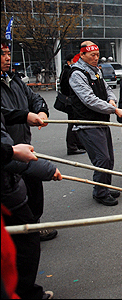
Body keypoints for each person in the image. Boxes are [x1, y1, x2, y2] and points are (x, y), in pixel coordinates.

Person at [0, 38, 58, 242]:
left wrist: (41, 111)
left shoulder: (14, 79)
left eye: (8, 53)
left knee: (33, 189)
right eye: (2, 54)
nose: (7, 58)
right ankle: (25, 233)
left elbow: (34, 98)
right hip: (9, 151)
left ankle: (34, 224)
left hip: (23, 146)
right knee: (16, 197)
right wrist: (25, 115)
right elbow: (6, 113)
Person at [1, 109, 61, 300]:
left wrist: (25, 115)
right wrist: (11, 152)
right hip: (6, 188)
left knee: (23, 241)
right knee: (25, 243)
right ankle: (24, 292)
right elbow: (9, 154)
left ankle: (23, 290)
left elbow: (5, 113)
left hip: (10, 183)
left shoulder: (13, 81)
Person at [68, 41, 122, 206]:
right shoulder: (77, 74)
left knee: (109, 159)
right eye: (92, 55)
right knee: (102, 158)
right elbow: (88, 99)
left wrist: (111, 100)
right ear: (82, 55)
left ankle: (105, 187)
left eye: (97, 54)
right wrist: (113, 109)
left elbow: (107, 88)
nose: (96, 58)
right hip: (87, 123)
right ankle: (100, 193)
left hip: (101, 121)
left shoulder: (96, 71)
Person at [59, 53, 86, 155]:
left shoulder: (68, 71)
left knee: (77, 123)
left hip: (72, 101)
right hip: (71, 102)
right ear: (69, 62)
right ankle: (72, 146)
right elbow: (66, 87)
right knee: (73, 124)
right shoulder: (69, 72)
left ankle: (78, 144)